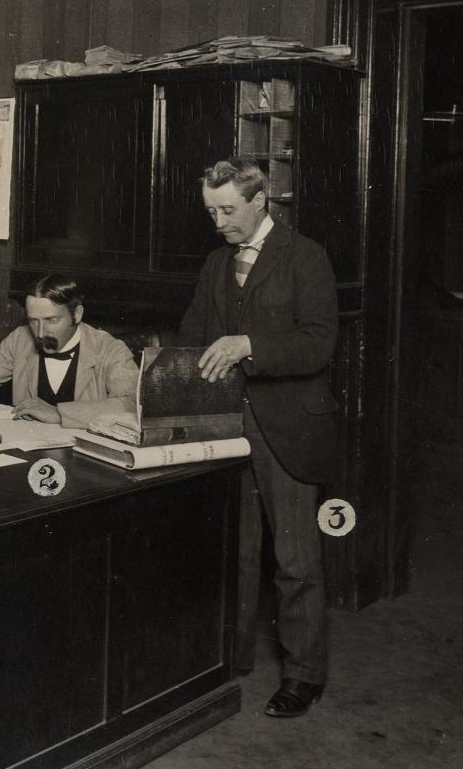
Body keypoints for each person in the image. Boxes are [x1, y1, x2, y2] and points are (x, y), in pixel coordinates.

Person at [177, 157, 339, 719]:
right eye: (211, 211)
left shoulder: (306, 257)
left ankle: (303, 675)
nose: (219, 222)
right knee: (235, 553)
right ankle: (234, 659)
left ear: (260, 200)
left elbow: (318, 345)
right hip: (227, 425)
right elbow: (193, 335)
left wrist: (249, 346)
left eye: (227, 210)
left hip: (289, 428)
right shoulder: (216, 262)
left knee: (294, 559)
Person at [0, 272, 138, 428]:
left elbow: (131, 404)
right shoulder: (20, 339)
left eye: (52, 320)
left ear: (77, 314)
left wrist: (59, 413)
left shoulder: (110, 350)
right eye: (33, 321)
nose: (41, 332)